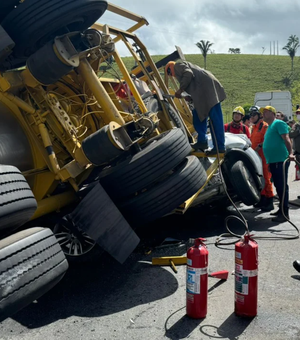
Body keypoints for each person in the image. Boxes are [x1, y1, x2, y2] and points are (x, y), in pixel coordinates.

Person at [165, 61, 226, 155]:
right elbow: (192, 82)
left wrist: (180, 89)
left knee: (215, 119)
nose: (172, 76)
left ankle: (220, 147)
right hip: (202, 90)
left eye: (169, 73)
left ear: (170, 68)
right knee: (197, 115)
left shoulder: (177, 65)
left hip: (208, 88)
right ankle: (202, 141)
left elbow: (188, 73)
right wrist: (187, 95)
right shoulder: (180, 71)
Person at [261, 105, 295, 222]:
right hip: (274, 161)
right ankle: (281, 209)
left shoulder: (278, 123)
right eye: (263, 112)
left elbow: (286, 138)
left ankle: (284, 213)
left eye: (266, 112)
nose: (263, 114)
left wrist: (290, 153)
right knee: (278, 186)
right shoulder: (270, 126)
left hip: (281, 160)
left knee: (282, 187)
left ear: (272, 113)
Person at [249, 106, 274, 210]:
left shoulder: (264, 126)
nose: (252, 117)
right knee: (259, 178)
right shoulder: (254, 128)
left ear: (259, 115)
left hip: (264, 157)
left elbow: (268, 139)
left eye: (254, 115)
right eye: (251, 115)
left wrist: (260, 145)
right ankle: (263, 199)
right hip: (256, 157)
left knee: (266, 178)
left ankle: (270, 201)